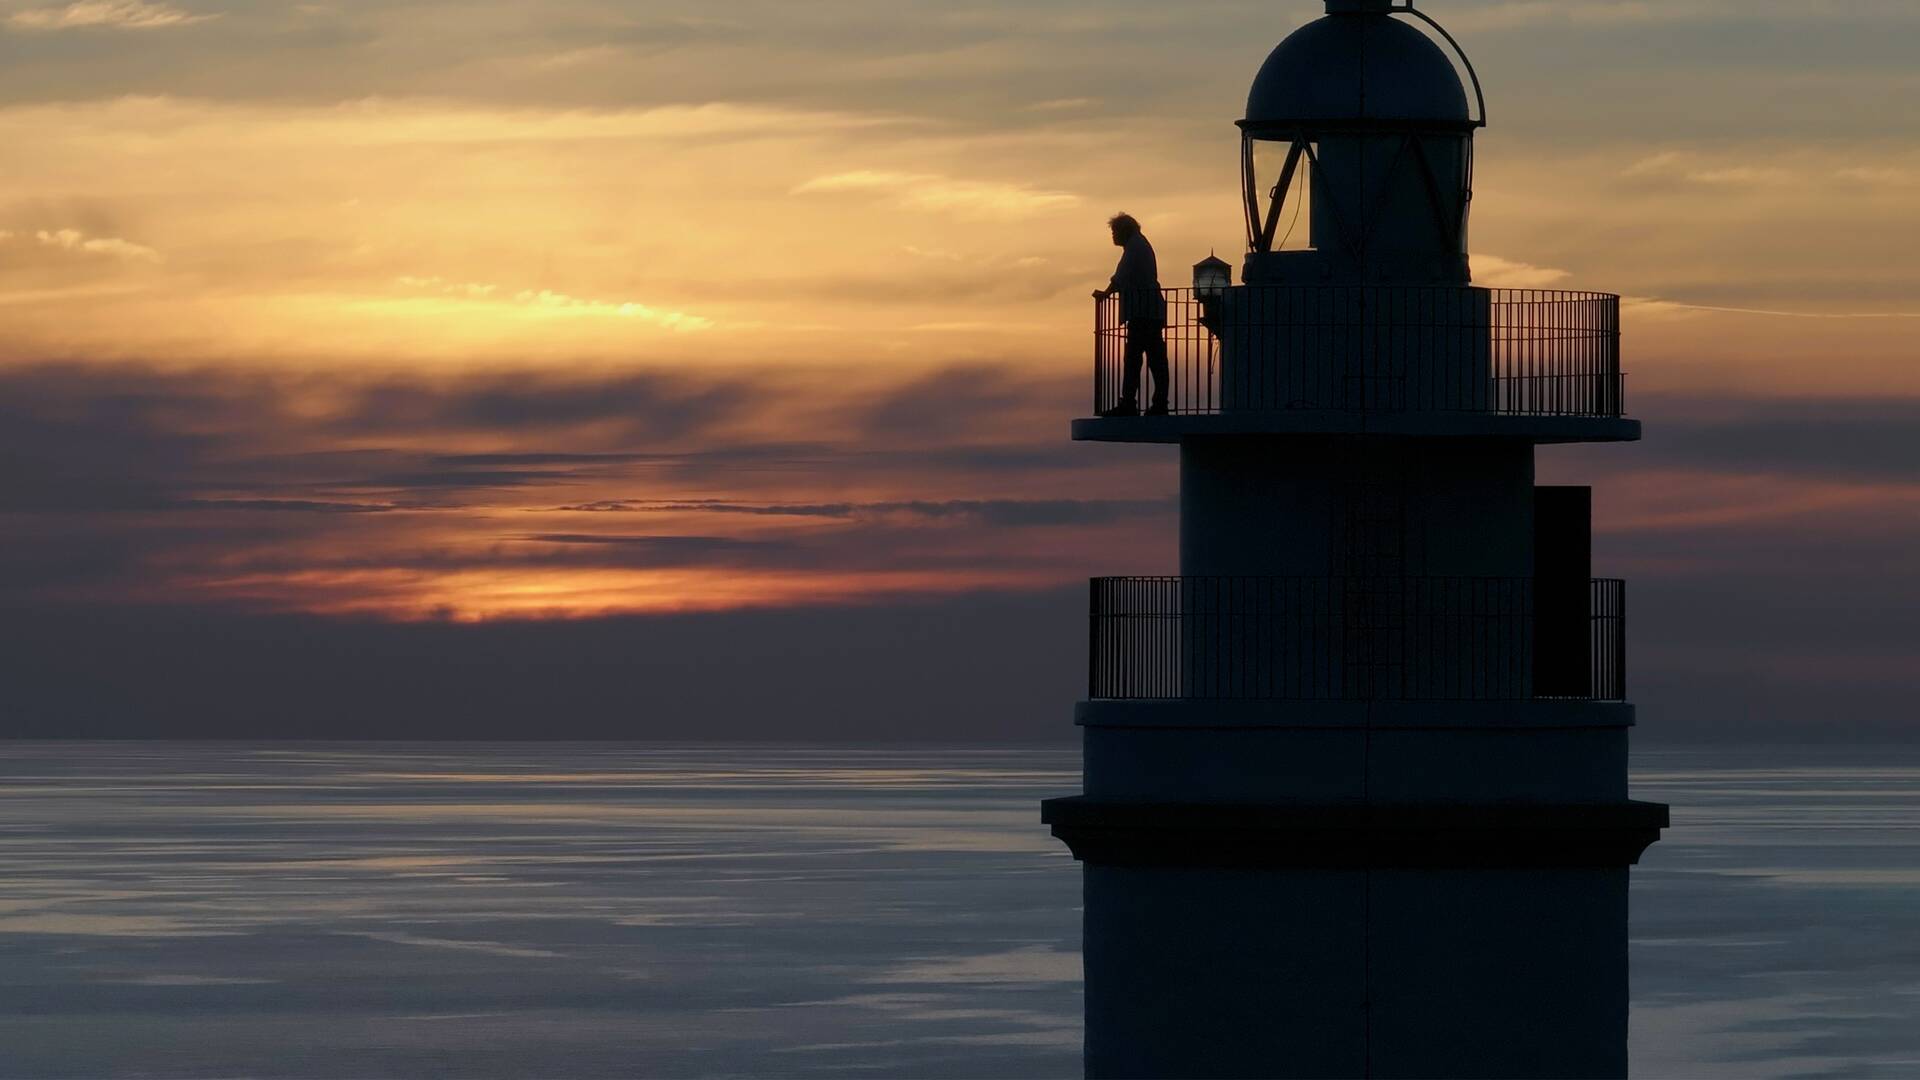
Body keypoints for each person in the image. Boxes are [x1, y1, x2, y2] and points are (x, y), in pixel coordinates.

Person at [1092, 213, 1170, 416]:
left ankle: (1130, 403)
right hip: (1149, 312)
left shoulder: (1135, 248)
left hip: (1144, 313)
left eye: (1114, 231)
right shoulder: (1138, 245)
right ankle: (1157, 403)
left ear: (1124, 230)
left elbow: (1121, 276)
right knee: (1154, 358)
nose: (1113, 235)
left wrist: (1106, 294)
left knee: (1136, 359)